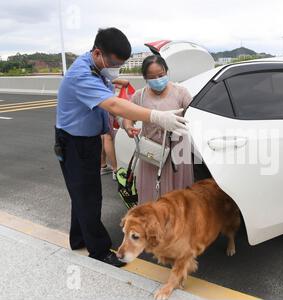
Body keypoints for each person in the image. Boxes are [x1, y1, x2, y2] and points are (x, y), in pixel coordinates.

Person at [54, 27, 187, 268]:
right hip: (75, 142)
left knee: (81, 194)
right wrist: (157, 116)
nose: (115, 69)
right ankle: (99, 250)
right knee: (89, 196)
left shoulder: (96, 67)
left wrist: (117, 80)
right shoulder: (81, 75)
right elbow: (114, 104)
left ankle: (79, 239)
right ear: (98, 53)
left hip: (86, 139)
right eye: (114, 64)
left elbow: (108, 90)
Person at [122, 54, 194, 204]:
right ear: (145, 78)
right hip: (152, 153)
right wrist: (128, 127)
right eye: (152, 77)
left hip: (177, 151)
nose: (157, 80)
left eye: (160, 75)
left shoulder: (181, 92)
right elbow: (127, 116)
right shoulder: (139, 96)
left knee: (178, 197)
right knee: (151, 193)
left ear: (167, 71)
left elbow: (195, 116)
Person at [100, 113, 119, 180]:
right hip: (107, 105)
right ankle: (115, 170)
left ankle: (103, 165)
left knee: (102, 134)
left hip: (97, 106)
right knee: (108, 136)